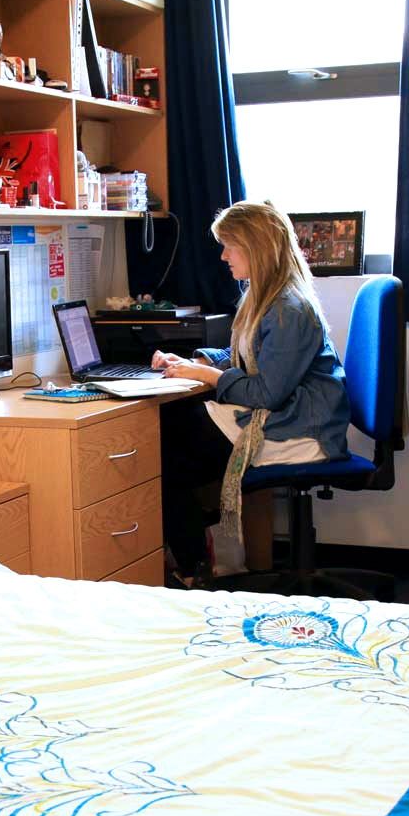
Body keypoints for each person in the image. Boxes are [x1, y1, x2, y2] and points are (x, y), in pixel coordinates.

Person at [152, 200, 352, 587]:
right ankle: (197, 556)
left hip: (302, 429)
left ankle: (196, 567)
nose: (224, 256)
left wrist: (209, 377)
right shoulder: (265, 297)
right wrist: (197, 360)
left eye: (230, 245)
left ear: (256, 248)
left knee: (164, 457)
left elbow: (266, 392)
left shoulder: (288, 310)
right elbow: (247, 358)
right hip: (284, 413)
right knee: (172, 436)